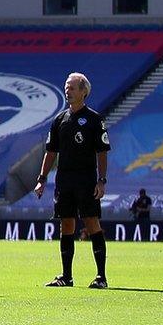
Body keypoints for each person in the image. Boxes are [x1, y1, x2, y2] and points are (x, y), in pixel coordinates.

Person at [35, 72, 110, 287]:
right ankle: (66, 276)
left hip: (86, 180)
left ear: (83, 91)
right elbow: (51, 152)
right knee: (66, 224)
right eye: (67, 86)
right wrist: (42, 179)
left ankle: (101, 277)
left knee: (91, 222)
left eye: (72, 87)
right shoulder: (60, 120)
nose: (68, 90)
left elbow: (102, 152)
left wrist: (101, 180)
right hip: (64, 181)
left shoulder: (94, 120)